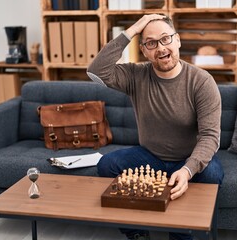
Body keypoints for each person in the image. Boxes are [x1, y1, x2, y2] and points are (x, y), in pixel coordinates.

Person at [87, 14, 224, 240]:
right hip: (150, 157)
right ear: (144, 50)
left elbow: (210, 136)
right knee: (107, 164)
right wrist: (133, 29)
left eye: (166, 39)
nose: (160, 48)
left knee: (212, 173)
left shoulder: (201, 81)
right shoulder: (135, 75)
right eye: (151, 43)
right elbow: (96, 71)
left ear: (177, 40)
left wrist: (188, 170)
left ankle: (181, 234)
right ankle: (137, 232)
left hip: (187, 158)